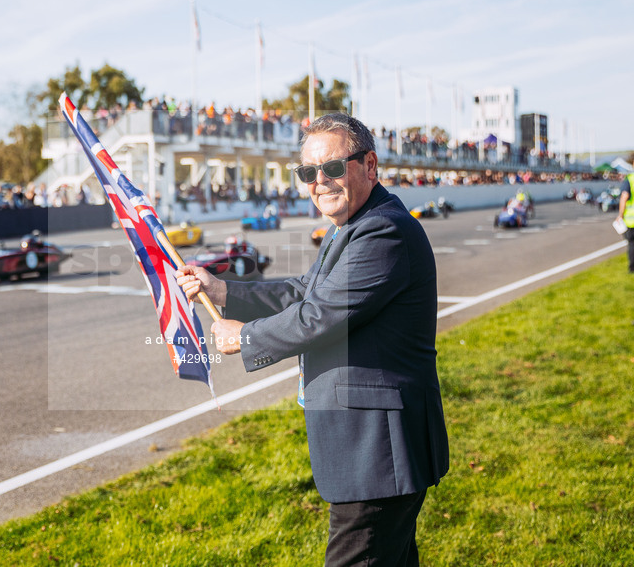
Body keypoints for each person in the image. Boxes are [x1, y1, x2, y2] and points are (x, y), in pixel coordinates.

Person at [176, 113, 448, 566]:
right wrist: (223, 290)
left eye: (333, 168)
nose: (319, 182)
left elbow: (319, 316)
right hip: (375, 450)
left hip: (378, 453)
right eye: (307, 173)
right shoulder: (353, 224)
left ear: (370, 165)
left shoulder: (384, 230)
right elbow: (304, 291)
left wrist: (245, 338)